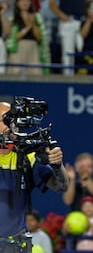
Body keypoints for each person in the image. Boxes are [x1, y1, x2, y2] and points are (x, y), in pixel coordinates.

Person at [0, 101, 69, 253]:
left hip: (16, 247)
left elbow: (61, 186)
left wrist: (57, 165)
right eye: (6, 120)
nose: (12, 126)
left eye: (15, 121)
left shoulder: (28, 157)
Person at [49, 0, 89, 75]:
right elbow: (52, 3)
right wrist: (62, 16)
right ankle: (68, 80)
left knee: (82, 52)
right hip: (68, 21)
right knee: (68, 54)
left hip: (81, 21)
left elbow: (85, 1)